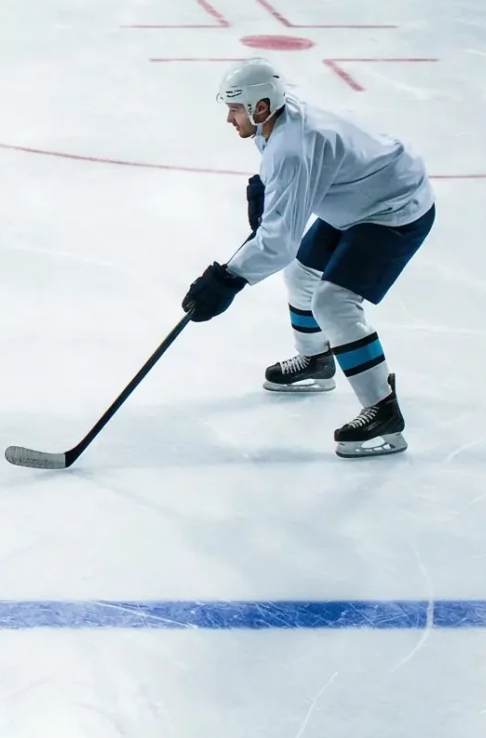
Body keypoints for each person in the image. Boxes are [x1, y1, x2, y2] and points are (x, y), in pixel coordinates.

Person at [179, 58, 436, 459]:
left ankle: (383, 411)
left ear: (260, 107)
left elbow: (278, 244)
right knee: (302, 274)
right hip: (358, 197)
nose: (229, 118)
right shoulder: (276, 116)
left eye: (234, 109)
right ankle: (317, 359)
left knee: (333, 302)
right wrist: (267, 190)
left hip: (395, 207)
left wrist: (226, 280)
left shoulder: (291, 147)